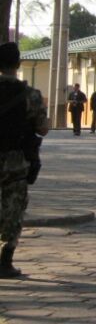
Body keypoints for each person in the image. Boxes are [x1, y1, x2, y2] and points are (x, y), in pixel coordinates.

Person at [0, 42, 48, 279]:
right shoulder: (31, 96)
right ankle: (5, 260)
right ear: (18, 65)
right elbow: (43, 128)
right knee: (13, 209)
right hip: (15, 162)